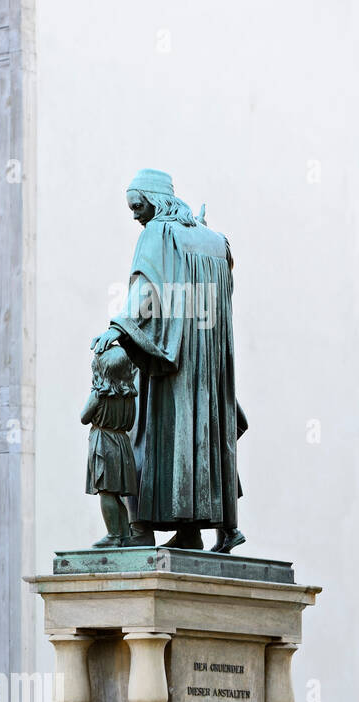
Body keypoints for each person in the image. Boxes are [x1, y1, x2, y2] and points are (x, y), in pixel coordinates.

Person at [90, 169, 245, 553]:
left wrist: (121, 328)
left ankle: (139, 530)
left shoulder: (158, 234)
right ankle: (191, 531)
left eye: (138, 205)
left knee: (149, 438)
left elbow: (149, 288)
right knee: (199, 441)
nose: (135, 216)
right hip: (209, 364)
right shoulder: (216, 241)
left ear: (156, 201)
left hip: (170, 361)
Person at [82, 345, 138, 546]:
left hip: (103, 443)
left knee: (106, 492)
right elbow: (130, 423)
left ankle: (113, 535)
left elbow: (83, 417)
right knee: (117, 494)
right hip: (122, 444)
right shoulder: (130, 396)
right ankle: (124, 535)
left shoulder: (99, 395)